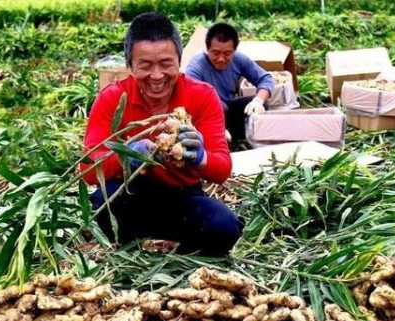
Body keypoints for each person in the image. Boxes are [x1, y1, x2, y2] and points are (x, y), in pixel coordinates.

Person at [81, 12, 242, 257]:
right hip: (129, 195)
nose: (157, 76)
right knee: (99, 209)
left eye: (166, 64)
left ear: (179, 61)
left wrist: (200, 157)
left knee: (224, 227)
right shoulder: (112, 99)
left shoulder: (203, 96)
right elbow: (87, 170)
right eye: (145, 66)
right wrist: (126, 156)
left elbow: (222, 169)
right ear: (130, 66)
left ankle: (169, 244)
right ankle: (136, 240)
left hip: (182, 198)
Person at [186, 22, 275, 144]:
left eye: (227, 53)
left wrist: (258, 100)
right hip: (206, 114)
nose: (221, 59)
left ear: (234, 50)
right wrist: (217, 126)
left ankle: (232, 136)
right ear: (207, 49)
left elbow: (265, 78)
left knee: (260, 106)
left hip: (228, 110)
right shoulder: (196, 66)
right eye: (216, 53)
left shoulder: (239, 59)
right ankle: (219, 137)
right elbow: (192, 100)